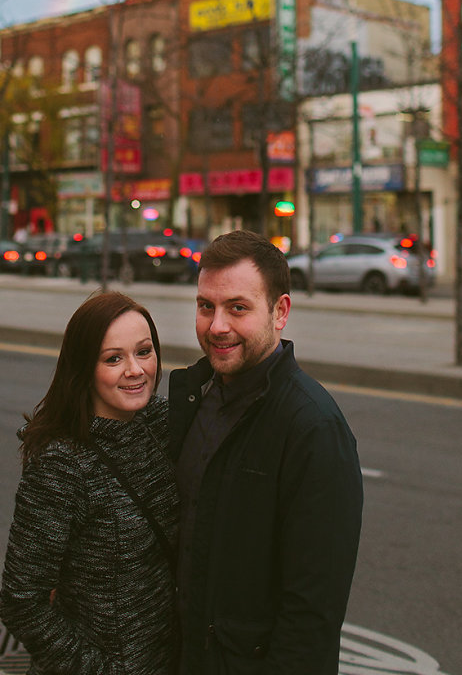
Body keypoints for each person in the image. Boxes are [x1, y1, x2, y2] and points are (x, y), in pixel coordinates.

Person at [169, 229, 363, 674]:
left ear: (280, 312)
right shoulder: (193, 399)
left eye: (238, 308)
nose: (217, 326)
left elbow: (312, 616)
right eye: (205, 307)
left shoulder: (313, 428)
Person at [0, 290, 179, 675]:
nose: (135, 369)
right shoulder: (62, 464)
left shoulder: (161, 423)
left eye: (144, 351)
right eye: (113, 358)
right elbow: (21, 600)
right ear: (84, 368)